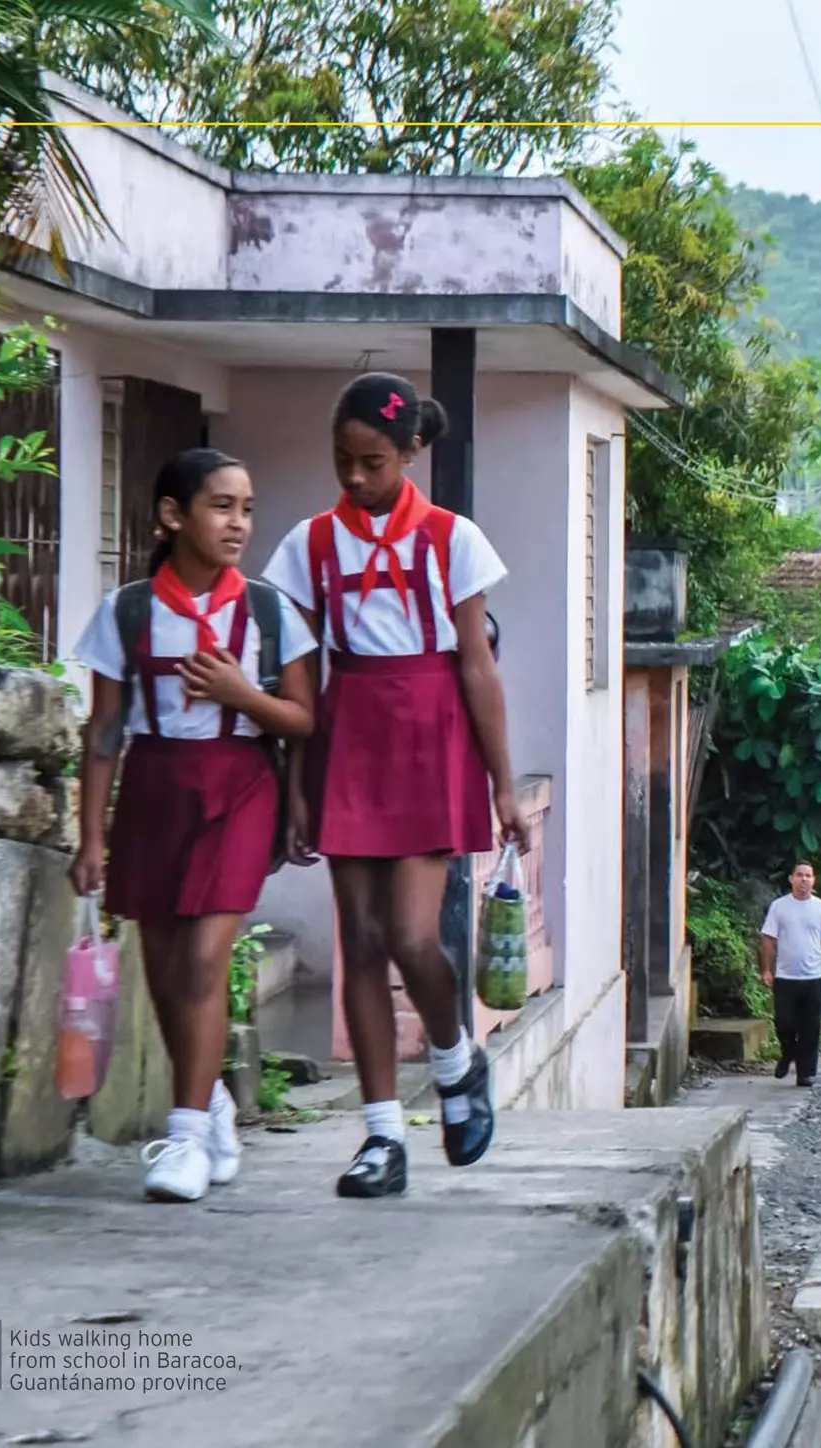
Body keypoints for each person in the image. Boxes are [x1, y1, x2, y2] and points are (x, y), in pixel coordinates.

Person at [265, 371, 518, 1199]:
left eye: (373, 462)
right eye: (343, 462)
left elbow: (479, 671)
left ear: (410, 451)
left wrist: (504, 784)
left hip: (433, 735)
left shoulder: (454, 539)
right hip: (351, 734)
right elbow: (301, 678)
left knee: (414, 937)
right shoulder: (306, 548)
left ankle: (454, 1063)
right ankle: (379, 1138)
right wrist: (298, 788)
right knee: (362, 946)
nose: (356, 479)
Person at [70, 449, 317, 1203]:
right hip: (155, 785)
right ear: (173, 515)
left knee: (207, 959)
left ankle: (182, 1139)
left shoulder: (272, 612)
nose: (239, 522)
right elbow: (105, 730)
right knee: (171, 970)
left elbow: (304, 718)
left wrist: (242, 693)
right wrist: (90, 839)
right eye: (221, 506)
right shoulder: (128, 611)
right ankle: (208, 1101)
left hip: (240, 786)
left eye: (246, 507)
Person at [759, 862, 821, 1086]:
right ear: (791, 879)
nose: (804, 879)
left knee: (810, 1026)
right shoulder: (779, 907)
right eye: (799, 875)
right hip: (786, 976)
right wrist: (766, 970)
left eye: (808, 876)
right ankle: (788, 1054)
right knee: (784, 1022)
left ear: (814, 880)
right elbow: (768, 939)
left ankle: (805, 1072)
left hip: (814, 977)